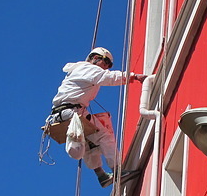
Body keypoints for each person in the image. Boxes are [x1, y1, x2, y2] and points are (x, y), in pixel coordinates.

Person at [49, 47, 147, 187]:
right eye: (105, 62)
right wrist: (133, 76)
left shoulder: (79, 70)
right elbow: (109, 78)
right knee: (104, 135)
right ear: (95, 58)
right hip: (72, 111)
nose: (106, 67)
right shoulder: (88, 68)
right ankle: (118, 170)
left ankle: (101, 175)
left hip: (62, 113)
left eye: (109, 65)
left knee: (90, 143)